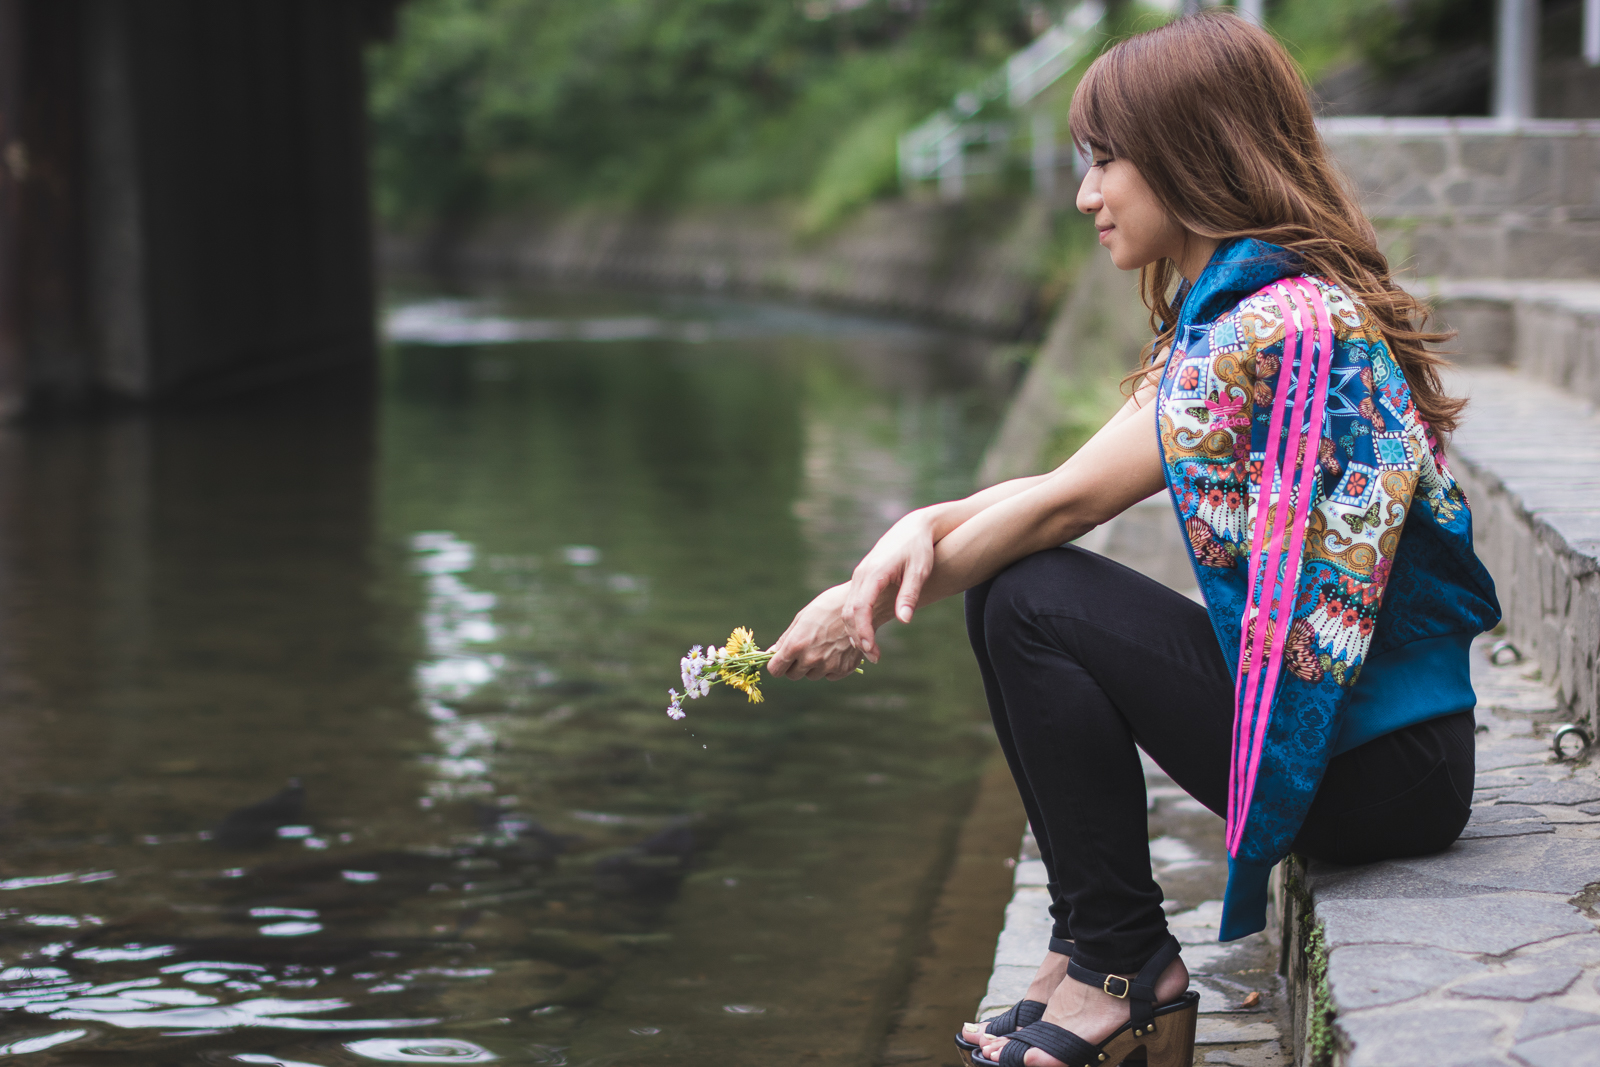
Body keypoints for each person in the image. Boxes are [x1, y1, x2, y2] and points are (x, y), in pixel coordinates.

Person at [764, 10, 1501, 1067]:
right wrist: (909, 532)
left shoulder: (1270, 327)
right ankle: (1095, 944)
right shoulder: (1244, 310)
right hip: (1393, 754)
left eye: (1105, 161)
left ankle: (1118, 962)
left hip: (1383, 768)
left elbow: (1066, 509)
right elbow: (1059, 479)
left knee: (1029, 596)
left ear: (1193, 151)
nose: (1085, 194)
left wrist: (863, 603)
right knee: (1020, 590)